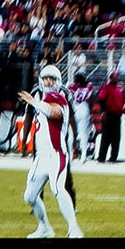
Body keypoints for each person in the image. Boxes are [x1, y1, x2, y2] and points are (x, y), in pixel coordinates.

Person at [21, 61, 85, 237]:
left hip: (56, 154)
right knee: (29, 196)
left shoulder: (58, 97)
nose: (48, 82)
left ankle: (73, 228)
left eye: (52, 79)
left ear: (58, 81)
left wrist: (34, 102)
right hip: (41, 156)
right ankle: (45, 227)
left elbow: (55, 113)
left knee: (58, 188)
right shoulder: (40, 98)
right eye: (46, 79)